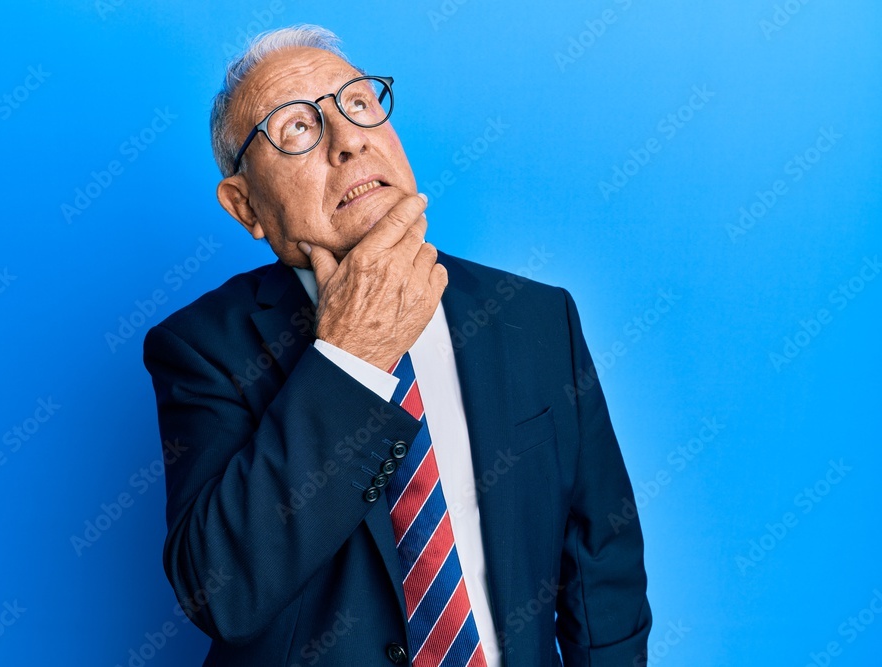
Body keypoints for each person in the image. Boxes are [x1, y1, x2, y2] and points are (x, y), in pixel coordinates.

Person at [143, 24, 651, 667]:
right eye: (296, 128)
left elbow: (601, 557)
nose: (349, 140)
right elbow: (225, 594)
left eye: (358, 103)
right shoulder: (202, 348)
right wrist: (349, 358)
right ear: (246, 208)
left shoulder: (536, 316)